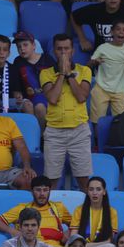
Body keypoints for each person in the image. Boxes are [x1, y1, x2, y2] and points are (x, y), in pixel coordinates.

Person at [40, 33, 94, 191]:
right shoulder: (46, 73)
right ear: (53, 51)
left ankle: (85, 211)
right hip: (54, 132)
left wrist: (69, 74)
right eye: (59, 49)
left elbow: (82, 96)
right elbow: (52, 98)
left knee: (84, 178)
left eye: (66, 49)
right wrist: (62, 74)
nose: (63, 53)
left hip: (79, 130)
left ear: (73, 51)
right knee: (52, 180)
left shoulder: (85, 71)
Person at [0, 175, 72, 247]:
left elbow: (76, 224)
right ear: (32, 191)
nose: (42, 194)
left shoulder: (59, 207)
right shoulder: (22, 208)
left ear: (49, 191)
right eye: (38, 190)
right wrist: (12, 231)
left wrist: (68, 232)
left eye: (45, 190)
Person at [88, 19, 124, 122]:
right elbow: (89, 64)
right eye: (118, 29)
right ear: (112, 31)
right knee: (97, 120)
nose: (121, 32)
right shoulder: (103, 47)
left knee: (121, 121)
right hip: (101, 88)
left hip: (119, 90)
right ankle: (98, 138)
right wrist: (95, 62)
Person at [70, 176, 119, 245]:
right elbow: (73, 236)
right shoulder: (79, 210)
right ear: (87, 191)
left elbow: (109, 240)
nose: (94, 193)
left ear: (104, 192)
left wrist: (91, 246)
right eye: (91, 189)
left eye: (98, 189)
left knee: (110, 246)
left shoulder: (112, 212)